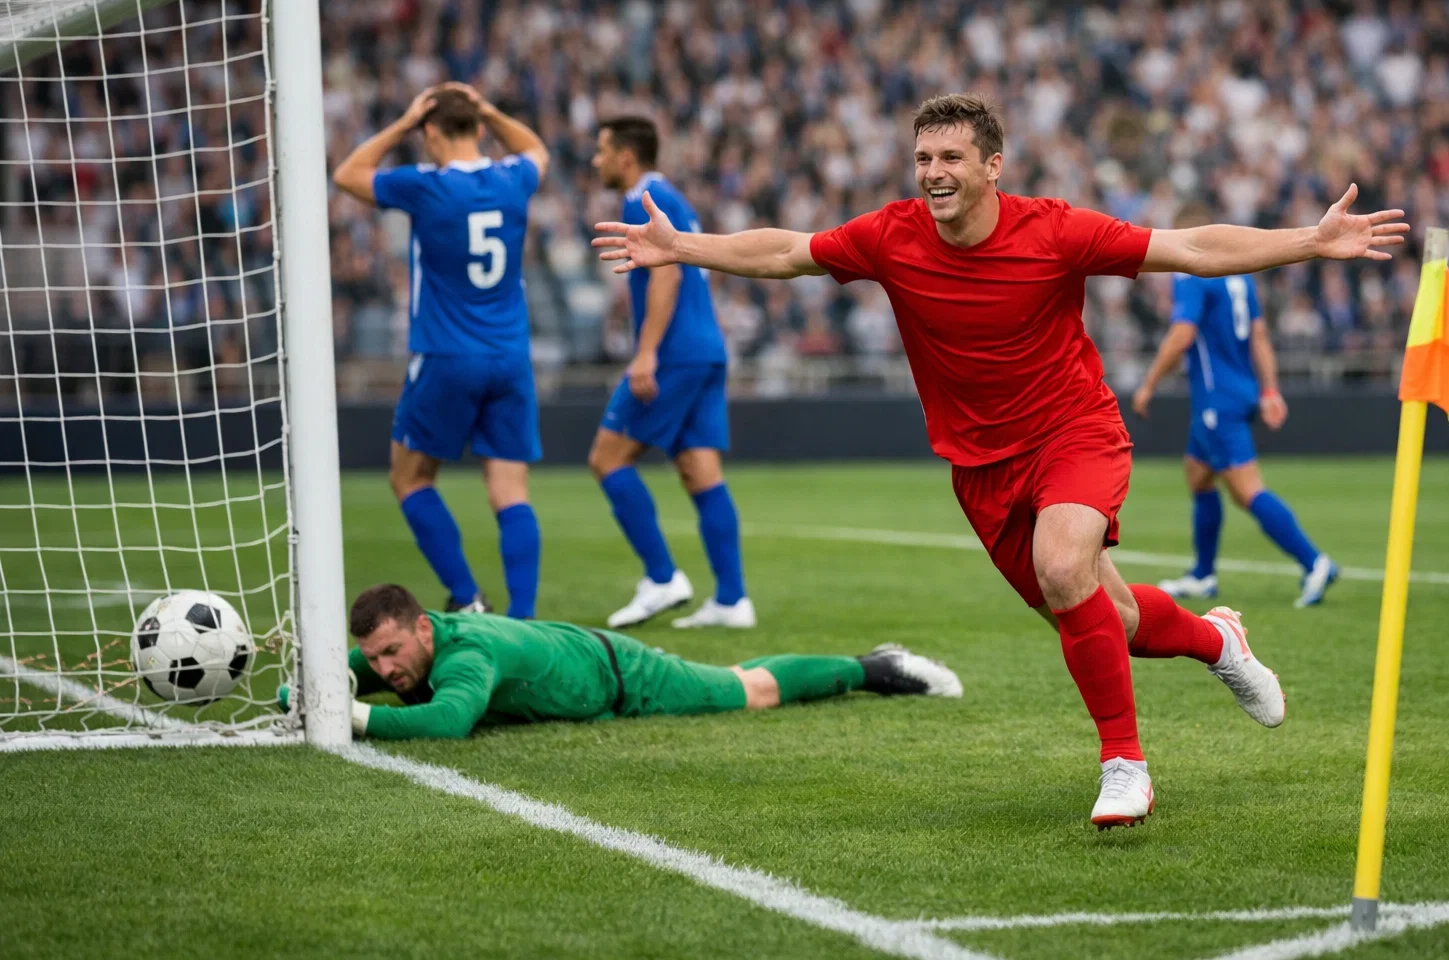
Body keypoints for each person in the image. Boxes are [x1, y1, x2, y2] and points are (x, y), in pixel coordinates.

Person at [592, 93, 1409, 828]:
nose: (933, 173)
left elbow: (1189, 247)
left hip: (1074, 432)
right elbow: (785, 254)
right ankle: (1215, 641)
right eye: (922, 158)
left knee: (1063, 568)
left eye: (950, 158)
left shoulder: (1054, 230)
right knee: (1105, 616)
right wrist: (683, 246)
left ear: (992, 166)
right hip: (981, 468)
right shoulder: (889, 235)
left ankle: (1125, 767)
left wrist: (1309, 240)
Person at [333, 83, 548, 619]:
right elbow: (538, 150)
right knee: (510, 492)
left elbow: (347, 175)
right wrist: (492, 109)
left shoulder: (424, 186)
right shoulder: (512, 178)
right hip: (510, 356)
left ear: (430, 132)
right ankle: (523, 621)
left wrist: (403, 123)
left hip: (446, 354)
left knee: (409, 478)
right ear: (478, 127)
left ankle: (468, 596)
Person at [307, 583, 960, 740]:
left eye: (393, 653)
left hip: (622, 675)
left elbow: (449, 722)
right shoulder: (408, 646)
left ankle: (875, 668)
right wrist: (308, 694)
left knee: (750, 687)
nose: (385, 669)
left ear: (423, 629)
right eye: (376, 658)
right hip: (579, 653)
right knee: (744, 678)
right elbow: (340, 676)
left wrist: (356, 716)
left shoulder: (466, 654)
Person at [588, 117, 752, 631]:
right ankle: (732, 600)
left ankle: (661, 577)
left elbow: (668, 272)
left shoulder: (643, 198)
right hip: (705, 348)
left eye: (602, 151)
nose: (596, 161)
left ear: (626, 157)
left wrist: (646, 352)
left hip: (676, 351)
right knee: (699, 471)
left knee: (606, 458)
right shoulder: (672, 195)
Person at [1132, 203, 1338, 608]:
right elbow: (1259, 335)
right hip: (1240, 390)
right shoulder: (1239, 275)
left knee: (1246, 490)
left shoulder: (1192, 271)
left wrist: (1149, 383)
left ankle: (1314, 562)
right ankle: (1203, 574)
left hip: (1217, 399)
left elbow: (1181, 335)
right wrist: (1269, 390)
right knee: (1198, 474)